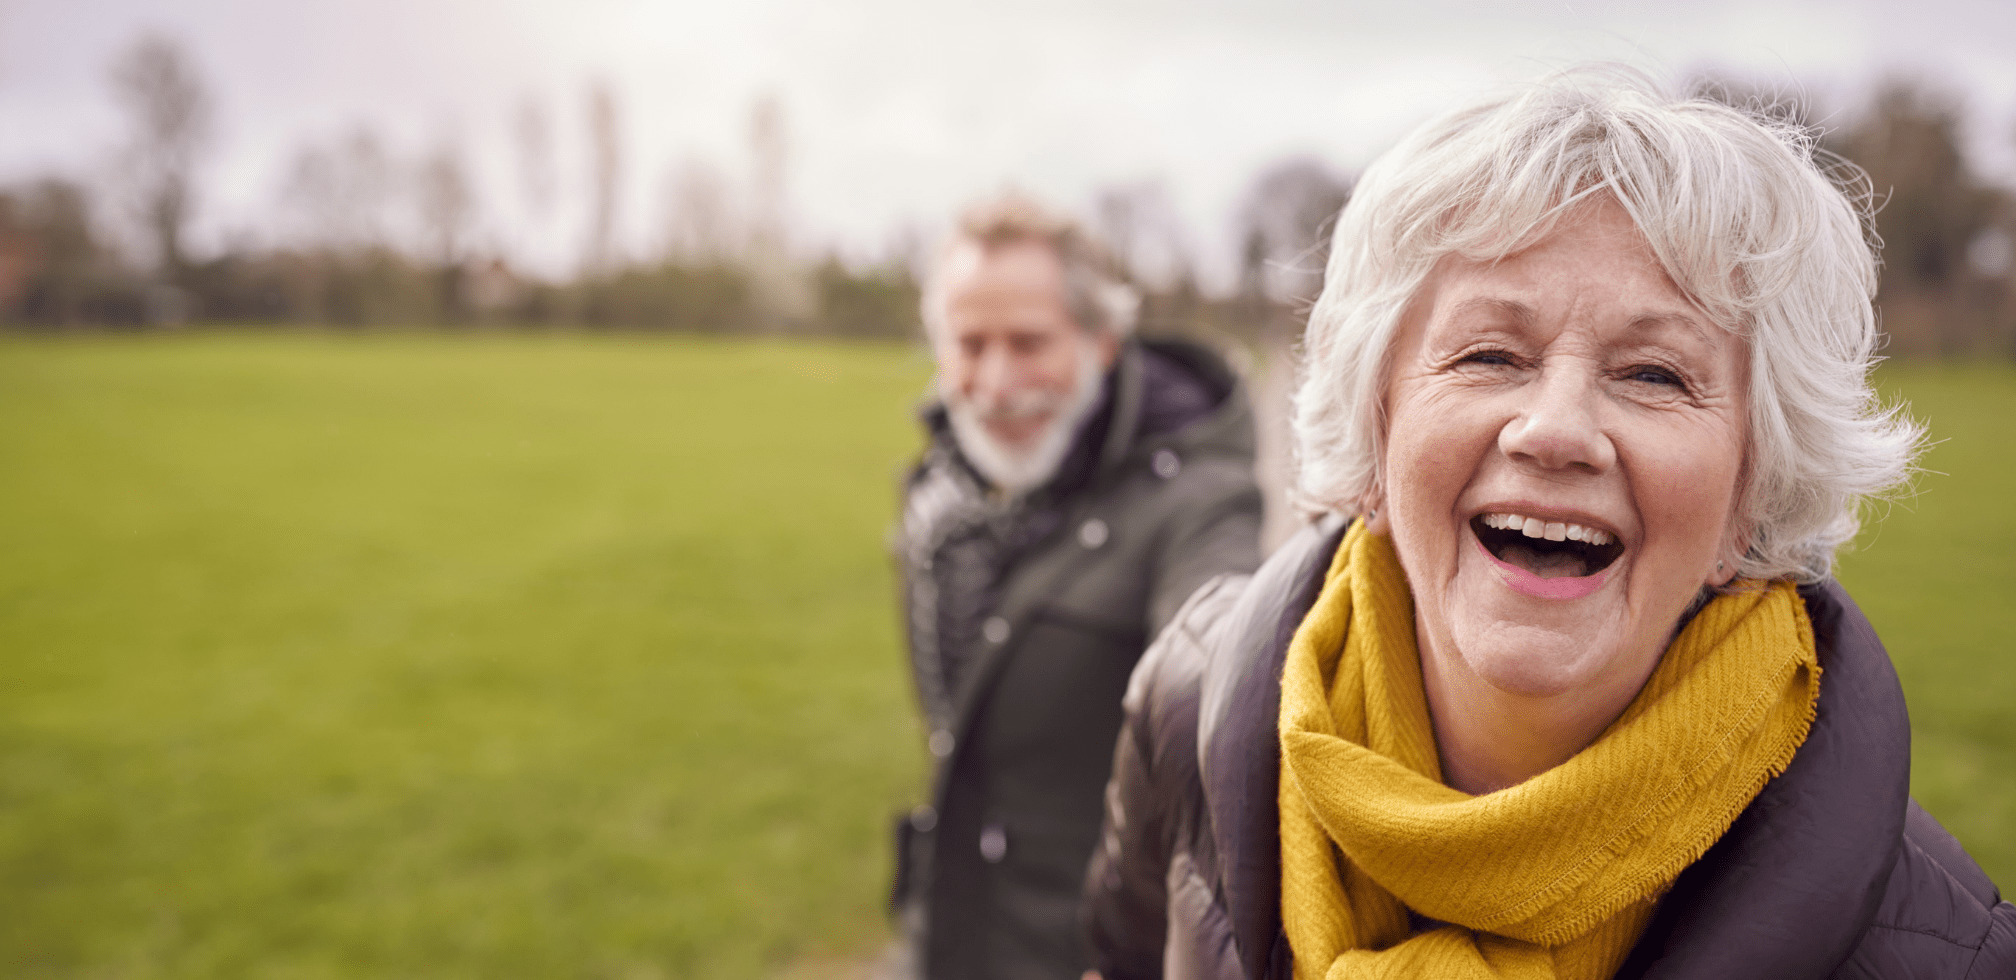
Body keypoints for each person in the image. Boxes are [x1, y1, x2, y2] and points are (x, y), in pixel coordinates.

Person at [1083, 68, 2016, 980]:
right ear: (1376, 427)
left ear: (1753, 492)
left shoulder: (1952, 953)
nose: (1558, 431)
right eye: (1491, 354)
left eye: (1655, 374)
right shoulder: (1185, 698)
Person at [889, 193, 1263, 980]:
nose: (996, 382)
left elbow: (1220, 662)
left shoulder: (1199, 499)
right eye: (969, 344)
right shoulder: (943, 495)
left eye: (1029, 342)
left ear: (1100, 340)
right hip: (950, 935)